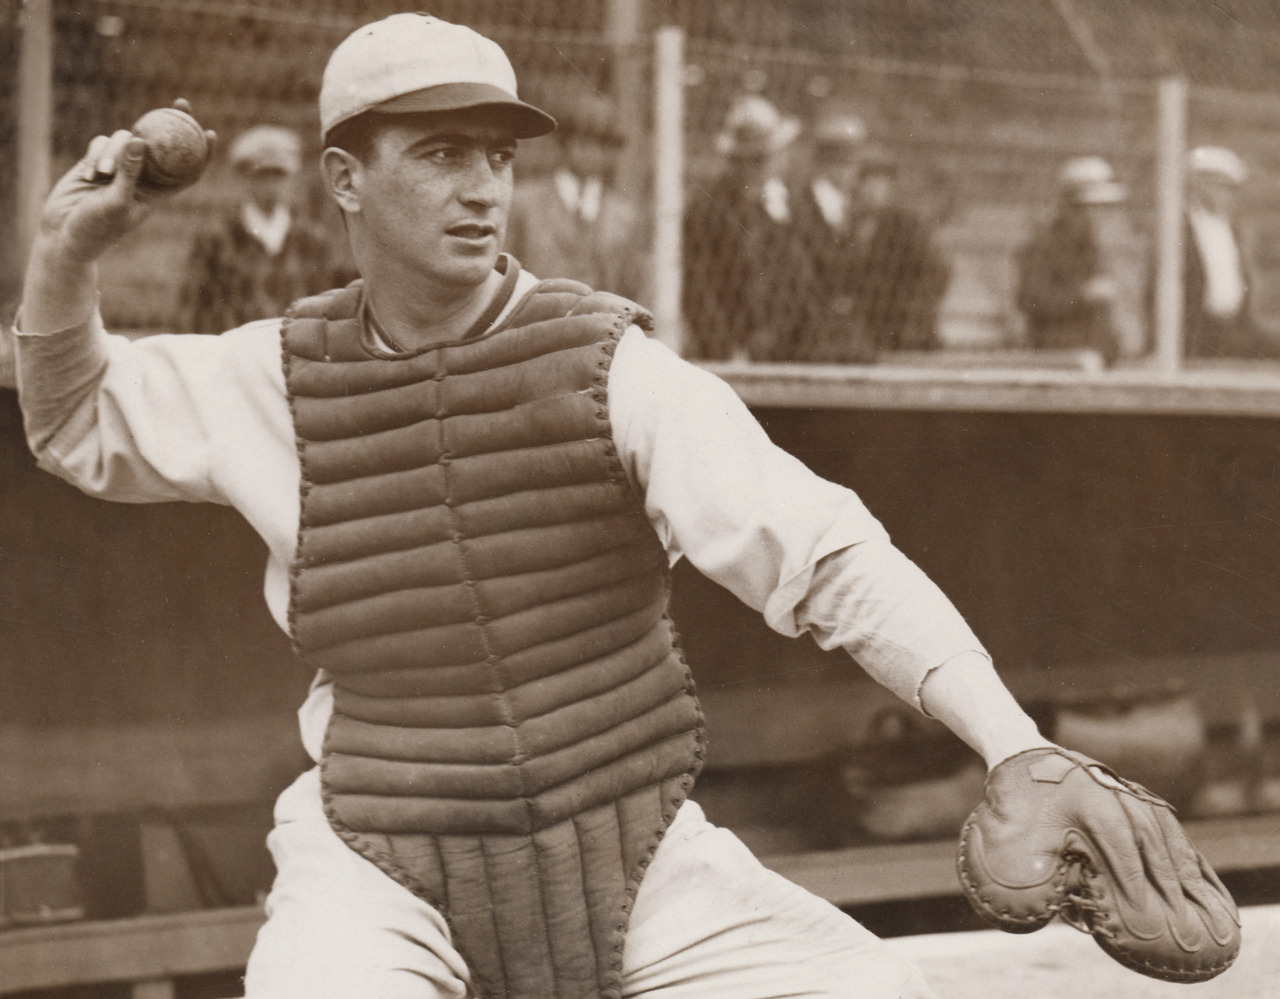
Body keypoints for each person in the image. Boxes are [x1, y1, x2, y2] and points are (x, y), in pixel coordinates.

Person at [14, 14, 1237, 999]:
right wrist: (68, 258)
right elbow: (77, 424)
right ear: (344, 177)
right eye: (440, 154)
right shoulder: (272, 371)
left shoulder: (609, 366)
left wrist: (1013, 743)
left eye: (499, 156)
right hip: (380, 846)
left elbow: (826, 554)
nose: (482, 188)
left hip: (626, 840)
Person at [682, 94, 821, 361]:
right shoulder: (708, 208)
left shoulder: (789, 204)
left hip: (784, 342)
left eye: (763, 158)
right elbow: (697, 285)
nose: (755, 168)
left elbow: (802, 278)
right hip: (728, 344)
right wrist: (724, 346)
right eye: (747, 160)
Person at [178, 124, 349, 334]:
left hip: (294, 346)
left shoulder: (310, 238)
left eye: (278, 175)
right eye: (261, 175)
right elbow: (194, 306)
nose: (270, 185)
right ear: (244, 177)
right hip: (236, 346)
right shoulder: (218, 237)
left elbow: (324, 304)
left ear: (292, 177)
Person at [505, 89, 649, 303]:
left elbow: (632, 288)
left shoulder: (623, 214)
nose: (591, 153)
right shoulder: (525, 203)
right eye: (582, 143)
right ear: (563, 144)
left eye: (602, 145)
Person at [1016, 156, 1142, 366]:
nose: (1097, 215)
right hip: (1059, 358)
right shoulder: (1043, 247)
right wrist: (1084, 294)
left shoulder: (1091, 247)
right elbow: (1030, 300)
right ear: (1069, 207)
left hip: (1096, 357)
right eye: (1087, 207)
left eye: (1103, 208)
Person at [790, 108, 879, 363]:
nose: (851, 169)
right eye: (844, 160)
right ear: (826, 162)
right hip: (808, 332)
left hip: (848, 334)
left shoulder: (852, 208)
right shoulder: (801, 208)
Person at [844, 151, 951, 353]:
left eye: (880, 185)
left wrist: (910, 315)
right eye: (867, 184)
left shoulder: (907, 226)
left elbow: (936, 273)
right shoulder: (848, 224)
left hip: (901, 330)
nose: (873, 192)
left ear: (890, 189)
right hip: (861, 330)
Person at [1177, 145, 1268, 358]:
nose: (1226, 195)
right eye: (1219, 187)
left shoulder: (1228, 227)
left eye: (1231, 189)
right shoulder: (1181, 228)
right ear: (1200, 184)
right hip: (1195, 331)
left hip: (1231, 329)